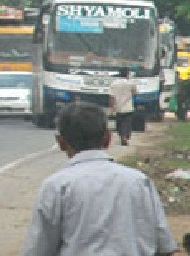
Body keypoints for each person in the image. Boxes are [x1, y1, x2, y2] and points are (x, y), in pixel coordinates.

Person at [21, 103, 177, 256]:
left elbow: (38, 248)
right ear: (108, 138)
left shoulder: (57, 186)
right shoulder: (139, 181)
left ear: (61, 142)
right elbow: (164, 244)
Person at [108, 70, 139, 146]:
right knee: (127, 122)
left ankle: (123, 136)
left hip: (118, 107)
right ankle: (125, 136)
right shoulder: (131, 83)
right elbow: (135, 93)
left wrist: (111, 109)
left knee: (119, 123)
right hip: (128, 107)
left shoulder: (114, 84)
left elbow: (111, 97)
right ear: (127, 75)